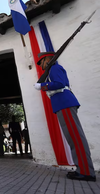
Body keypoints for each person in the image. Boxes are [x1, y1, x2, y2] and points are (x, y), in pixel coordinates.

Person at [34, 51, 96, 181]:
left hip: (64, 103)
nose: (40, 65)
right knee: (73, 138)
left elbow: (60, 84)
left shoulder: (54, 68)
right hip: (62, 104)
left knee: (75, 137)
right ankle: (82, 169)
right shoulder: (53, 69)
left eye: (41, 62)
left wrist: (43, 85)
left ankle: (86, 172)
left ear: (47, 59)